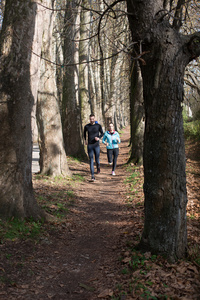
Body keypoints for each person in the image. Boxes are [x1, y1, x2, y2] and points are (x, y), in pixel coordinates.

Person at [84, 114, 103, 181]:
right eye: (90, 119)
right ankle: (92, 176)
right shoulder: (87, 126)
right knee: (91, 160)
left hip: (96, 145)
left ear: (95, 119)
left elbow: (102, 133)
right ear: (89, 119)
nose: (92, 120)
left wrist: (98, 138)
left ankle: (98, 167)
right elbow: (84, 134)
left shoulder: (98, 126)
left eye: (93, 119)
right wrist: (85, 140)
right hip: (90, 145)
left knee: (97, 160)